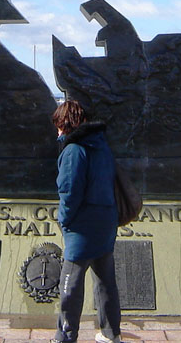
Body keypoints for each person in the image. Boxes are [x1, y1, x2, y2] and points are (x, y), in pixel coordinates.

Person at [51, 100, 122, 343]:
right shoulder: (102, 146)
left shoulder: (73, 151)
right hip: (105, 223)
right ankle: (111, 334)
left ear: (65, 124)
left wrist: (64, 220)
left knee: (70, 285)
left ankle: (65, 336)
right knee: (106, 283)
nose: (57, 133)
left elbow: (69, 191)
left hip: (81, 228)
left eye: (58, 126)